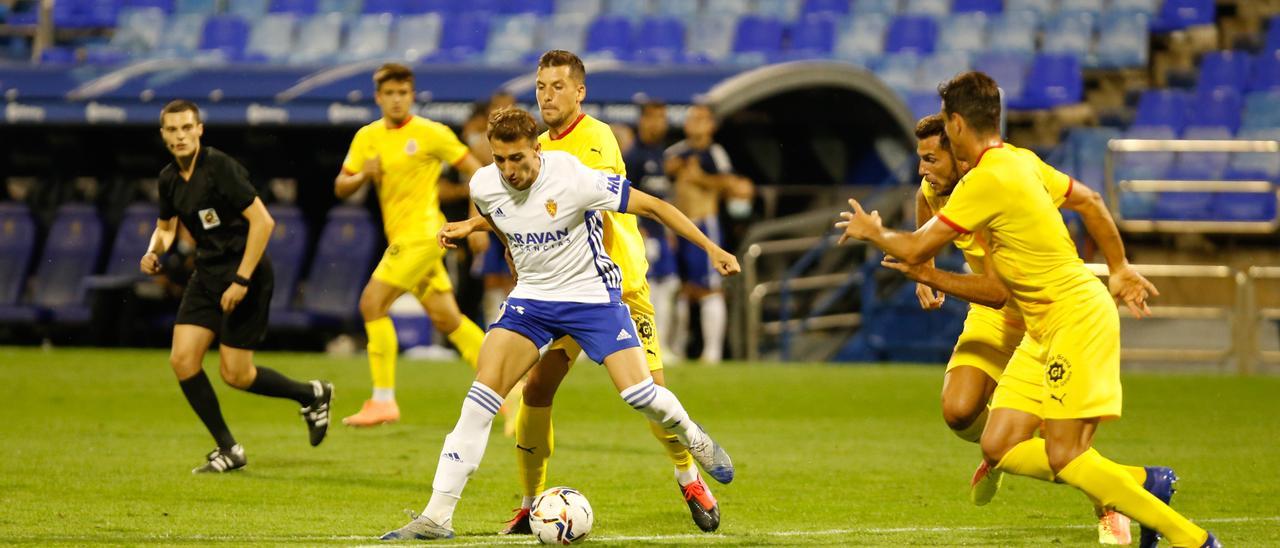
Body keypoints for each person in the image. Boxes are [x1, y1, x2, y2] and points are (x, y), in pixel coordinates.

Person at [837, 71, 1219, 548]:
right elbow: (1092, 199)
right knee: (1000, 446)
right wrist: (1118, 268)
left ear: (956, 125)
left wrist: (875, 234)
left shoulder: (987, 179)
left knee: (1066, 456)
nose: (924, 169)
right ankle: (1142, 482)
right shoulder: (1019, 161)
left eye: (932, 154)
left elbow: (916, 249)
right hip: (1041, 324)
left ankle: (1193, 540)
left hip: (1071, 315)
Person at [381, 107, 737, 541]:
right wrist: (501, 243)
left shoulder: (574, 177)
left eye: (518, 159)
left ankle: (692, 434)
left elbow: (656, 207)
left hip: (592, 299)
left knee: (640, 395)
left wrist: (710, 248)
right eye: (500, 160)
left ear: (537, 148)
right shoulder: (484, 184)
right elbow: (499, 216)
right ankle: (437, 517)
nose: (509, 170)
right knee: (479, 400)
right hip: (533, 300)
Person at [902, 113, 1140, 543]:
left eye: (932, 160)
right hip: (996, 315)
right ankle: (1001, 451)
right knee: (958, 411)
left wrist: (1119, 266)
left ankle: (1110, 503)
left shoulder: (1010, 176)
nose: (923, 171)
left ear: (959, 154)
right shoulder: (936, 190)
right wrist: (925, 262)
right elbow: (925, 212)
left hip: (1047, 314)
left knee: (1060, 431)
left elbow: (1087, 202)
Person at [142, 100, 333, 473]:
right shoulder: (168, 178)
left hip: (247, 272)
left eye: (186, 128)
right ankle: (229, 449)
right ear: (163, 135)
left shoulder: (219, 167)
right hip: (208, 273)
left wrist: (241, 280)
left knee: (236, 375)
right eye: (172, 130)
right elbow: (166, 228)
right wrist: (153, 251)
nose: (180, 136)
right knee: (182, 360)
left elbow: (263, 223)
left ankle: (311, 393)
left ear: (199, 130)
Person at [335, 63, 488, 427]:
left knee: (372, 303)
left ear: (412, 95)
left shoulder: (431, 133)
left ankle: (383, 399)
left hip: (423, 235)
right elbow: (340, 185)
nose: (397, 100)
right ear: (378, 98)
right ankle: (513, 387)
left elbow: (479, 172)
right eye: (390, 94)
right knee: (448, 319)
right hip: (403, 238)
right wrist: (362, 175)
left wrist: (474, 221)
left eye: (403, 93)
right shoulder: (367, 137)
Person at [664, 104, 751, 364]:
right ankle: (674, 349)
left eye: (702, 119)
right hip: (676, 225)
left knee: (710, 289)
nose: (695, 124)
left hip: (704, 225)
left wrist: (701, 178)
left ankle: (711, 352)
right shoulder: (677, 152)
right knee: (676, 288)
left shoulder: (715, 154)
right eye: (692, 118)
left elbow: (732, 184)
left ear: (711, 125)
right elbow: (663, 173)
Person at [624, 100, 680, 365]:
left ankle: (659, 345)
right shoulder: (633, 156)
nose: (660, 123)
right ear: (643, 120)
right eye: (655, 117)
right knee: (649, 291)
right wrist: (638, 229)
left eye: (663, 118)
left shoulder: (659, 153)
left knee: (667, 287)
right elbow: (622, 197)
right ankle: (652, 348)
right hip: (643, 234)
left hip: (659, 234)